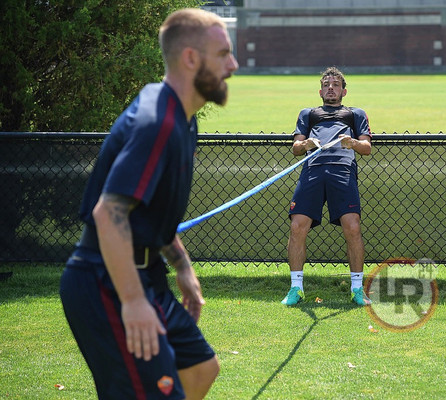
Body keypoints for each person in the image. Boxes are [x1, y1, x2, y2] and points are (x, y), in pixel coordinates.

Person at [59, 9, 238, 400]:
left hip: (147, 276)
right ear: (191, 58)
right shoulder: (157, 122)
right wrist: (134, 301)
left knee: (201, 369)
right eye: (224, 53)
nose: (233, 64)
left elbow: (148, 210)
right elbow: (110, 213)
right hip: (105, 282)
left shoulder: (182, 119)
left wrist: (182, 266)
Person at [282, 66, 372, 307]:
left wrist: (352, 142)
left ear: (344, 91)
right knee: (297, 226)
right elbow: (295, 148)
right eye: (326, 85)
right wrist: (306, 144)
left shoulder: (355, 114)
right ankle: (296, 289)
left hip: (342, 171)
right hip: (312, 170)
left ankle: (356, 289)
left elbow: (367, 148)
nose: (330, 88)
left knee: (352, 227)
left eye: (335, 84)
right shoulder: (308, 114)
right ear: (320, 91)